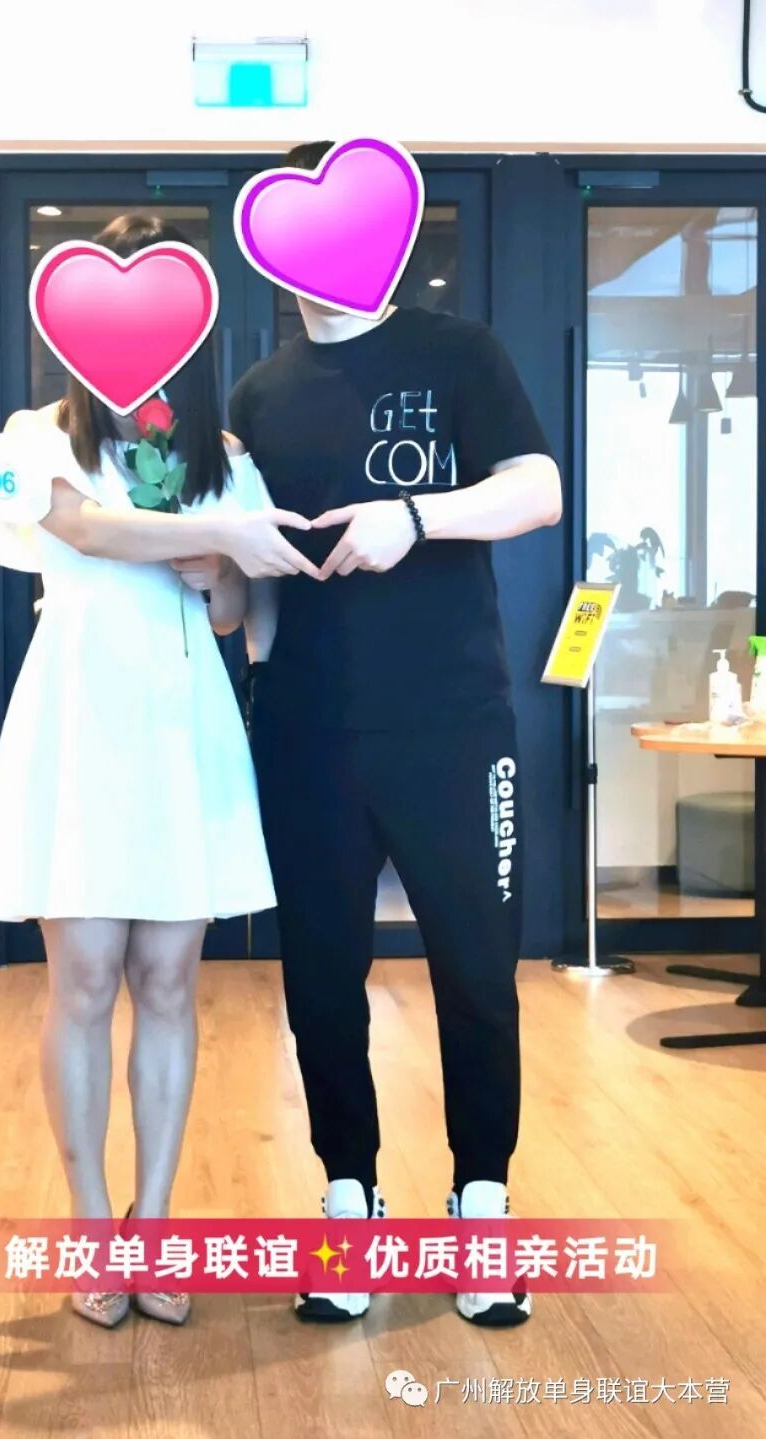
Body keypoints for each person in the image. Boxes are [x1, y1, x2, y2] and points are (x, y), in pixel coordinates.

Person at [0, 214, 319, 1330]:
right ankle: (91, 1225)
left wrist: (222, 572)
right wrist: (216, 539)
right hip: (79, 715)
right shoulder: (34, 438)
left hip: (179, 718)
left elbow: (238, 610)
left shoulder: (227, 459)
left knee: (167, 981)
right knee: (83, 980)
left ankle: (154, 1226)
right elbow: (81, 530)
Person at [230, 142, 563, 1327]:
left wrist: (414, 516)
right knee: (322, 974)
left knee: (477, 965)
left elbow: (538, 489)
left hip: (453, 723)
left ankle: (482, 1201)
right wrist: (238, 612)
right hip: (308, 726)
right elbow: (258, 586)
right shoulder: (259, 394)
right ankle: (348, 1196)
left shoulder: (457, 353)